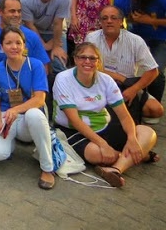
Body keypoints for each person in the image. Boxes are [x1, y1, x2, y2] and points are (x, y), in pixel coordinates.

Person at [53, 42, 159, 188]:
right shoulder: (63, 79)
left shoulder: (106, 80)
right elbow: (75, 121)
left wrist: (132, 138)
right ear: (75, 59)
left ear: (98, 62)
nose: (87, 62)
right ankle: (141, 155)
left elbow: (123, 115)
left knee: (148, 132)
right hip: (73, 130)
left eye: (92, 58)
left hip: (103, 125)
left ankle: (116, 169)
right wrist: (103, 145)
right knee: (96, 154)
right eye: (83, 57)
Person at [0, 27, 54, 189]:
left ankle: (47, 168)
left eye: (18, 42)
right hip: (5, 116)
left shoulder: (35, 65)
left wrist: (16, 110)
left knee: (34, 115)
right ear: (2, 47)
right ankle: (10, 142)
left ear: (24, 46)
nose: (14, 46)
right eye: (8, 43)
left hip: (27, 118)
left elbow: (39, 99)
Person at [85, 6, 164, 123]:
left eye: (114, 18)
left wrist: (133, 89)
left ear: (121, 21)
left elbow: (153, 71)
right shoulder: (91, 38)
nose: (109, 21)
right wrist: (120, 77)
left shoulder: (135, 41)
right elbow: (87, 67)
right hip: (99, 83)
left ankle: (132, 113)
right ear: (100, 22)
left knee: (156, 110)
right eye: (105, 18)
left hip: (127, 86)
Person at [21, 0, 71, 74]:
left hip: (56, 32)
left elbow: (58, 23)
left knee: (59, 62)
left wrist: (56, 46)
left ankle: (60, 88)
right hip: (33, 31)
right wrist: (42, 45)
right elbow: (30, 25)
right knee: (33, 62)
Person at [0, 0, 50, 68]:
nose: (16, 15)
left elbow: (43, 67)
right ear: (0, 12)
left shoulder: (31, 36)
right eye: (12, 11)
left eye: (19, 11)